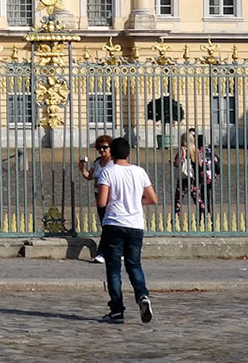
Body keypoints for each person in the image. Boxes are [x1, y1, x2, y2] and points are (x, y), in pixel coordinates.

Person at [96, 136, 157, 325]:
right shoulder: (139, 171)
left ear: (112, 154)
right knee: (134, 265)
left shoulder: (107, 172)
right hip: (135, 224)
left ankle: (116, 309)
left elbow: (102, 202)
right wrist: (135, 202)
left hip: (114, 223)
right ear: (129, 153)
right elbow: (152, 198)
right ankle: (142, 296)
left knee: (114, 269)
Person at [79, 135, 113, 262]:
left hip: (111, 195)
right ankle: (114, 250)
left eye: (104, 147)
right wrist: (82, 168)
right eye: (99, 148)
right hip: (98, 195)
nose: (102, 150)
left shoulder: (113, 162)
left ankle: (102, 253)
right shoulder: (98, 162)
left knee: (108, 225)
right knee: (106, 224)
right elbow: (89, 176)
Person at [172, 127, 202, 215]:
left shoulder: (183, 150)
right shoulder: (196, 150)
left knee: (178, 198)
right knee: (197, 198)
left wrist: (173, 162)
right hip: (194, 177)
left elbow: (177, 163)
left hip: (184, 177)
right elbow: (200, 164)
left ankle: (176, 217)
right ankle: (203, 215)